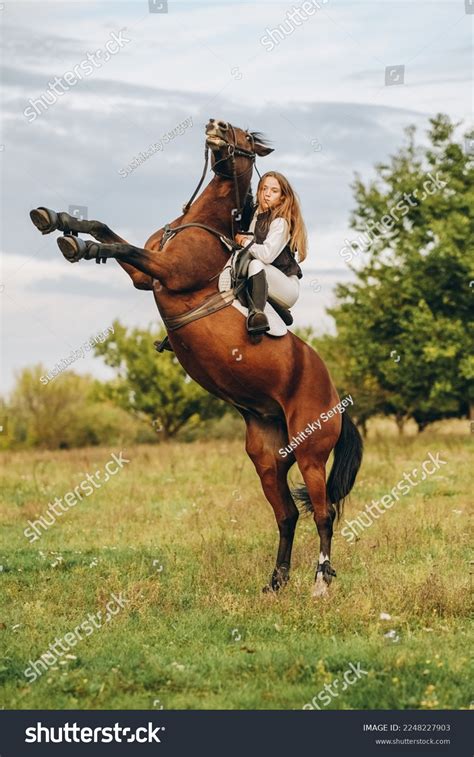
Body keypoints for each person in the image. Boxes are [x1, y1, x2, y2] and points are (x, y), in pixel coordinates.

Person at [235, 171, 308, 336]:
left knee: (256, 263)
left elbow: (266, 255)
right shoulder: (255, 215)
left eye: (274, 191)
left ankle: (257, 316)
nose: (267, 194)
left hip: (286, 287)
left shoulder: (281, 222)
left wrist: (244, 241)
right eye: (263, 189)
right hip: (267, 280)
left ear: (282, 197)